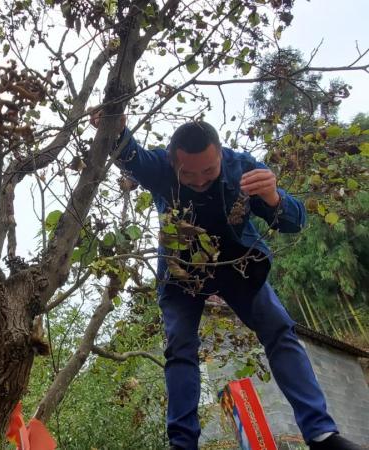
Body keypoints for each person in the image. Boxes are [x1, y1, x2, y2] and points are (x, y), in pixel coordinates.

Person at [90, 112, 361, 450]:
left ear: (220, 155)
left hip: (239, 267)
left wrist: (274, 197)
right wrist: (114, 127)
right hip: (182, 274)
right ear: (173, 162)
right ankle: (183, 443)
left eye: (208, 171)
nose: (200, 180)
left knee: (280, 330)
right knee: (180, 348)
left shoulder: (242, 169)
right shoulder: (159, 168)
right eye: (188, 174)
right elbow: (129, 154)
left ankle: (322, 434)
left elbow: (295, 221)